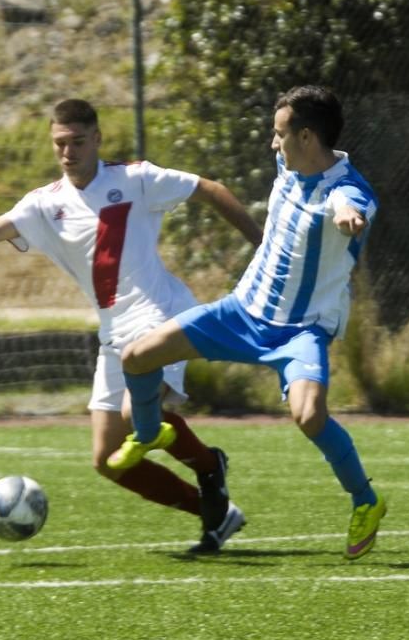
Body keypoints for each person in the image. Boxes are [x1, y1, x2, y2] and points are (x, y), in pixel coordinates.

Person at [0, 98, 263, 553]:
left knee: (134, 413)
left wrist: (262, 248)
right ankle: (210, 510)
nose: (68, 152)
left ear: (97, 140)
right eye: (60, 143)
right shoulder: (45, 205)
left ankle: (208, 467)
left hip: (162, 315)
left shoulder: (135, 179)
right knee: (107, 460)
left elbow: (211, 188)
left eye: (78, 142)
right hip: (114, 334)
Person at [111, 85, 387, 560]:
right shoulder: (290, 163)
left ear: (306, 136)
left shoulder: (349, 191)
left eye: (280, 134)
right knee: (137, 358)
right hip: (241, 313)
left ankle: (366, 501)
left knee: (308, 415)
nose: (272, 144)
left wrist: (347, 216)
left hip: (300, 331)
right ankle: (150, 430)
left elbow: (349, 202)